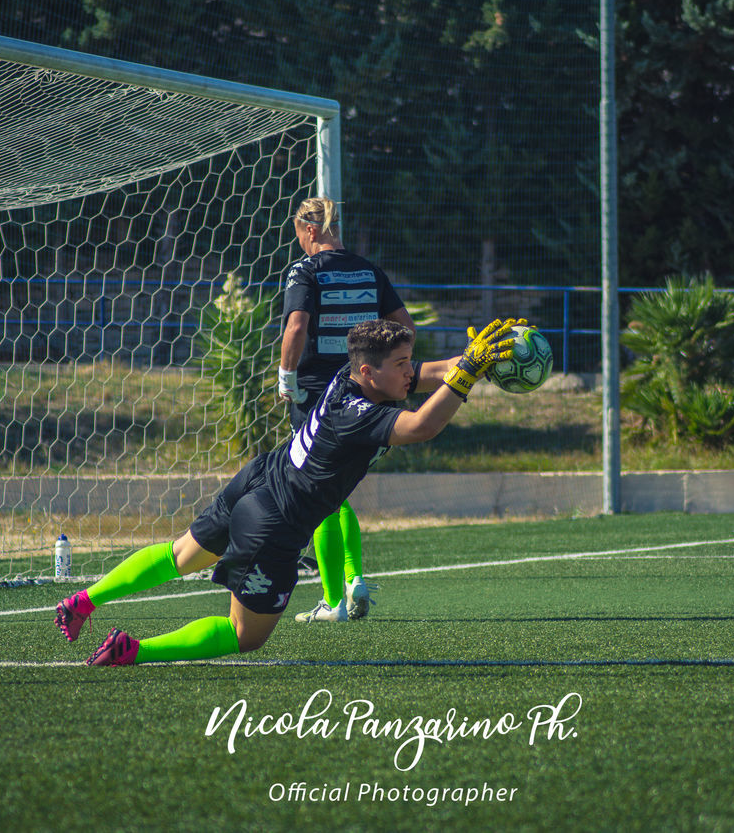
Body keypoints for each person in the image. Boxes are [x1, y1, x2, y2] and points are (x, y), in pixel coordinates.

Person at [55, 316, 521, 666]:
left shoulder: (353, 378)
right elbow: (421, 426)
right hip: (273, 523)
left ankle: (83, 600)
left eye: (407, 362)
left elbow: (429, 372)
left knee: (181, 556)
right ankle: (132, 651)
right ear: (368, 371)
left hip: (258, 478)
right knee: (245, 636)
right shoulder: (358, 415)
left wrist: (477, 360)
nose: (409, 373)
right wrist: (466, 376)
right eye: (400, 365)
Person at [277, 196, 416, 623]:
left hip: (321, 390)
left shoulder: (305, 269)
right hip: (364, 386)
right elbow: (404, 327)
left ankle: (333, 601)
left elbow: (297, 326)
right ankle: (354, 578)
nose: (298, 243)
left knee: (317, 492)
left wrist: (286, 378)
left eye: (299, 234)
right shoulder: (368, 270)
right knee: (338, 492)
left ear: (311, 230)